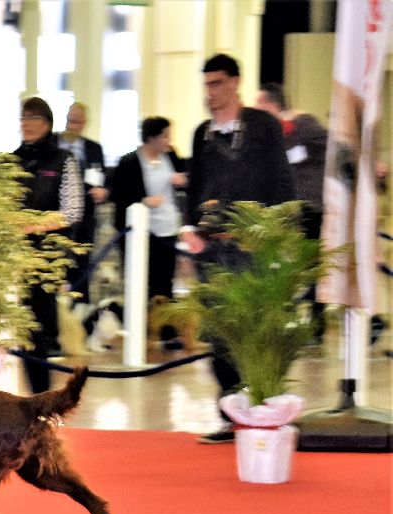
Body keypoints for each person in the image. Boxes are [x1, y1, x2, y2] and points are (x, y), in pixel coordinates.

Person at [181, 54, 295, 444]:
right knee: (220, 333)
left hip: (253, 245)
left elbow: (281, 180)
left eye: (216, 84)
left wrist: (272, 232)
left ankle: (264, 412)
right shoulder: (202, 134)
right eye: (206, 84)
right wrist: (188, 227)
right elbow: (195, 186)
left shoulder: (262, 126)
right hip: (213, 248)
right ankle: (231, 415)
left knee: (257, 332)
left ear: (234, 83)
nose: (210, 92)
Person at [13, 96, 84, 395]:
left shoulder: (63, 160)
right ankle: (29, 399)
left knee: (40, 329)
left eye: (35, 119)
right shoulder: (11, 159)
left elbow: (73, 210)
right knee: (22, 332)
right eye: (24, 118)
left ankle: (41, 398)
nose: (28, 125)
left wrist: (34, 224)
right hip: (13, 257)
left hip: (46, 257)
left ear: (48, 124)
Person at [256, 82, 328, 340]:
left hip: (311, 207)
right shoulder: (272, 133)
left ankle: (315, 324)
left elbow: (332, 143)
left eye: (259, 103)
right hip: (288, 208)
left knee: (310, 265)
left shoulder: (304, 123)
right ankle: (295, 316)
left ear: (270, 104)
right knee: (291, 264)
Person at [109, 116, 187, 301]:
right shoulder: (129, 162)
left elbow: (185, 178)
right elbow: (119, 197)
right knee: (142, 284)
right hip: (144, 232)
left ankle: (164, 325)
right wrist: (144, 201)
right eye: (165, 136)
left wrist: (181, 180)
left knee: (165, 283)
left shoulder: (170, 156)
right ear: (152, 138)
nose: (169, 140)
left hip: (168, 229)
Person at [58, 102, 108, 300]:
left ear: (84, 123)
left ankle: (80, 306)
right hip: (57, 215)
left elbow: (103, 178)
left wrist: (103, 191)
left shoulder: (94, 148)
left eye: (77, 122)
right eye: (70, 121)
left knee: (82, 263)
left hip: (85, 216)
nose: (73, 126)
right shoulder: (54, 143)